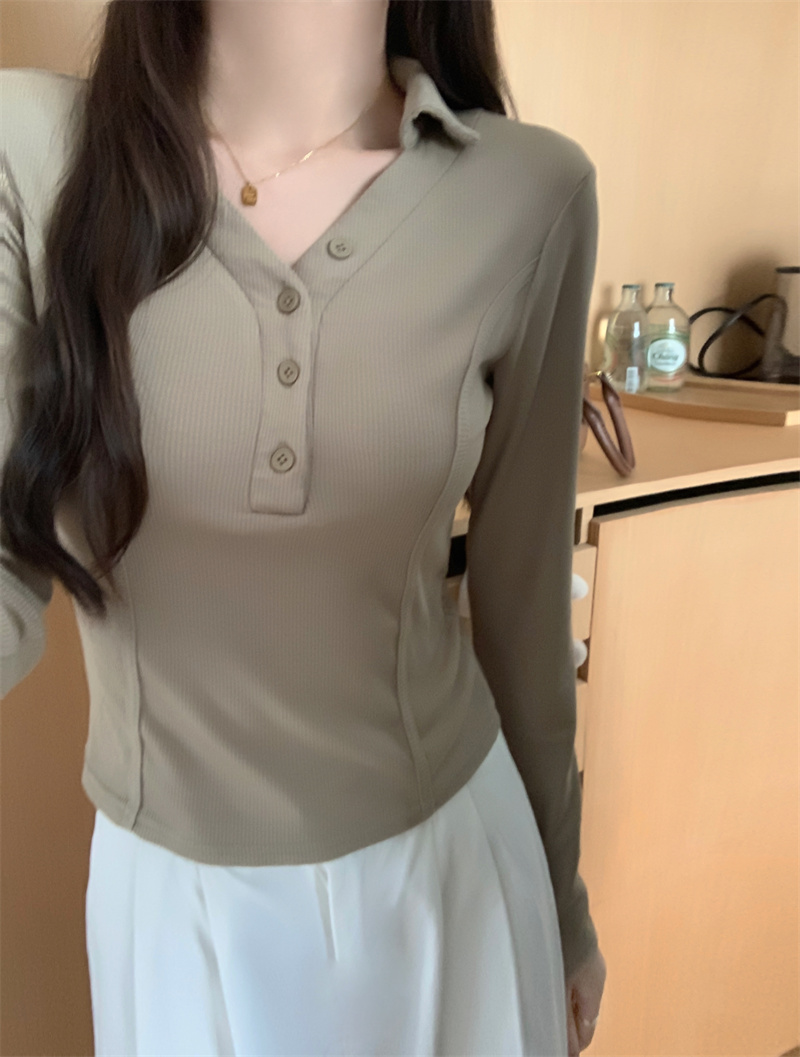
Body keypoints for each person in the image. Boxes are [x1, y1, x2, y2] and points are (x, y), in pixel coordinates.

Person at [0, 0, 606, 1053]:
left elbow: (522, 609)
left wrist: (561, 902)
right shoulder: (30, 154)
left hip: (452, 876)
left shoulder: (531, 193)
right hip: (172, 912)